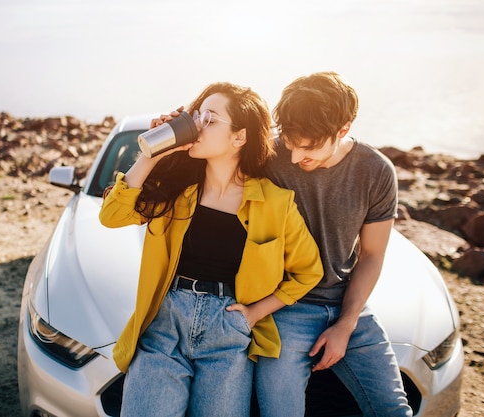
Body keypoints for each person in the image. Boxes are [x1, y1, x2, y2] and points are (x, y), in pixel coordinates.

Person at [99, 82, 323, 417]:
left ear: (239, 137)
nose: (198, 125)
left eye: (210, 119)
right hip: (165, 326)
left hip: (228, 333)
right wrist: (153, 154)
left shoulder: (276, 203)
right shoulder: (177, 190)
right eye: (197, 116)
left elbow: (309, 271)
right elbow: (112, 215)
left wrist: (255, 314)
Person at [255, 71, 413, 416]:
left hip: (348, 306)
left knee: (395, 410)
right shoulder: (267, 153)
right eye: (291, 143)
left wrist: (346, 323)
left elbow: (372, 254)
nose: (296, 157)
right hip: (284, 309)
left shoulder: (376, 171)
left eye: (309, 147)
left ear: (343, 129)